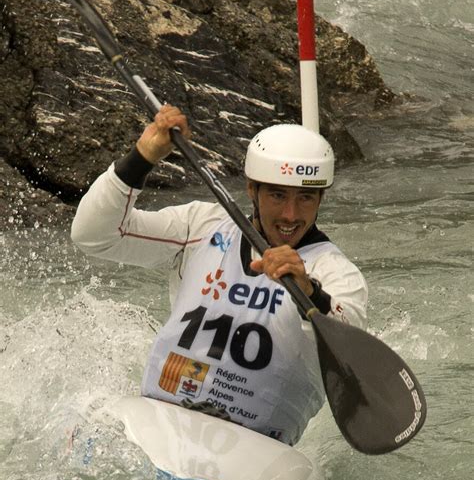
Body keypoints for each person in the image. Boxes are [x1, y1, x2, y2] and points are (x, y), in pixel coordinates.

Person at [71, 104, 368, 446]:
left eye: (306, 198)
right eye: (276, 195)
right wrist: (143, 157)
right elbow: (95, 236)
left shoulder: (335, 273)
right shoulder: (200, 227)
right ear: (251, 190)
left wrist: (307, 291)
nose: (290, 214)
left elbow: (350, 355)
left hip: (257, 447)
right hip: (161, 419)